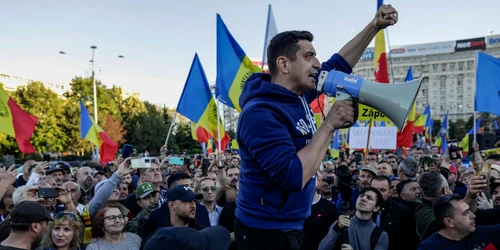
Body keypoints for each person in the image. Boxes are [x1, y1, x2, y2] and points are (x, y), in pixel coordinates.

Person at [234, 4, 398, 250]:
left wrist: (374, 26)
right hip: (265, 231)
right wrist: (329, 125)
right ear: (284, 64)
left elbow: (340, 65)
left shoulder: (298, 95)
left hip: (289, 224)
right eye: (309, 56)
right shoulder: (261, 113)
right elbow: (293, 176)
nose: (318, 64)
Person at [418, 194, 500, 249]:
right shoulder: (429, 248)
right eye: (465, 213)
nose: (473, 216)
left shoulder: (483, 234)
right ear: (449, 222)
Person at [318, 187, 389, 250]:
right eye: (361, 196)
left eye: (369, 198)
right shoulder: (341, 223)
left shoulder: (381, 235)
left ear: (376, 208)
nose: (363, 199)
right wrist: (336, 229)